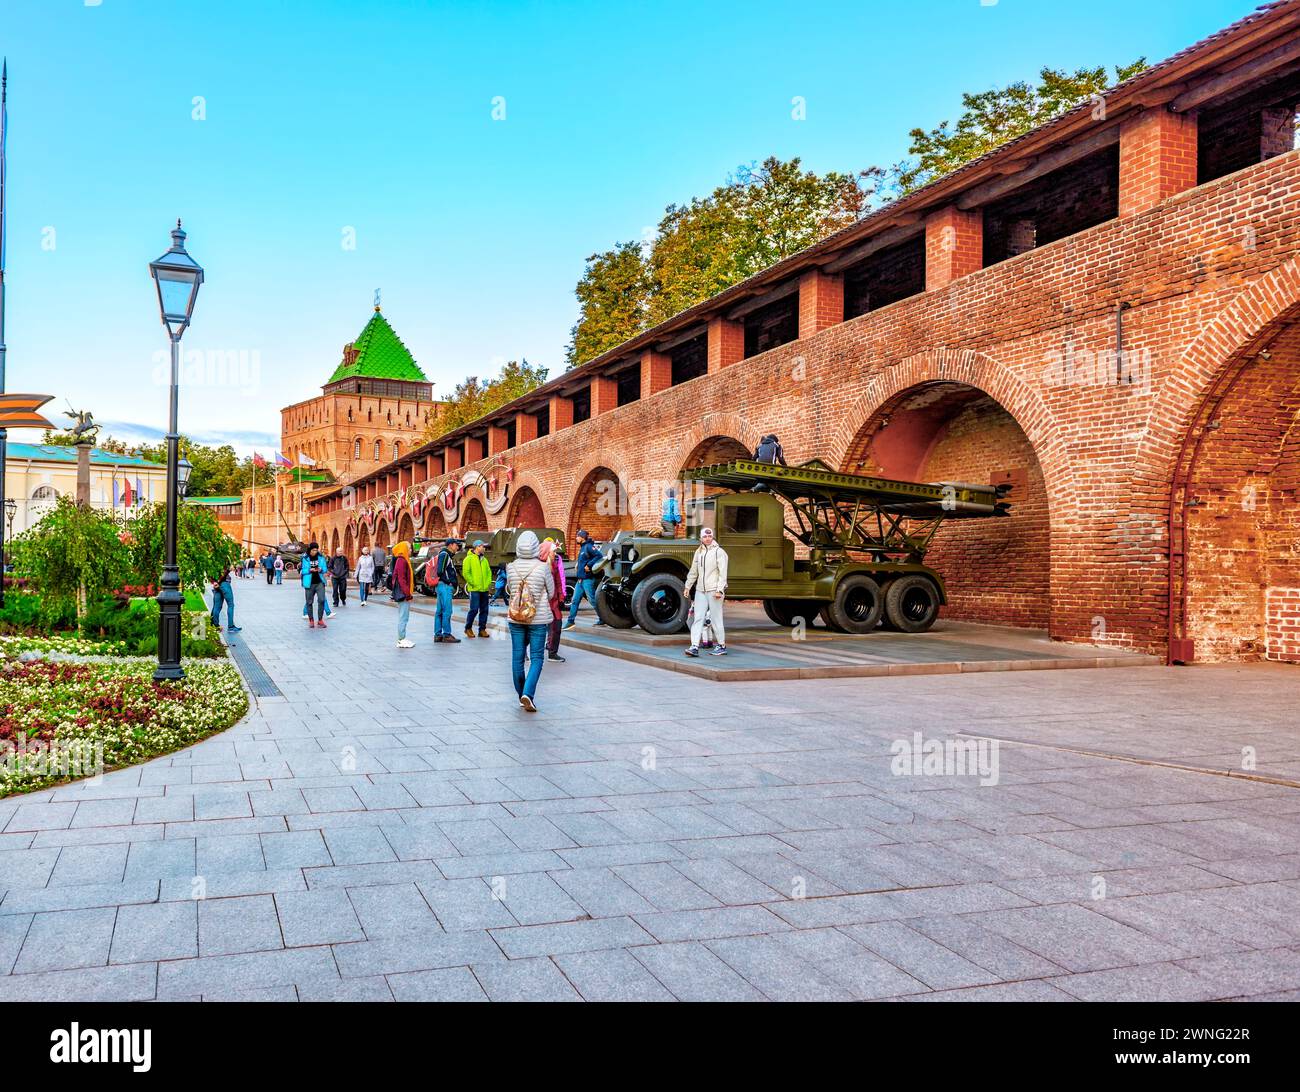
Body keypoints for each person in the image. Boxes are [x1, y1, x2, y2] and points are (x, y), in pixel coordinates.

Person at [505, 530, 554, 712]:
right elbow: (552, 592)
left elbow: (511, 589)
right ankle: (528, 693)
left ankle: (521, 695)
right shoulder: (542, 568)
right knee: (537, 658)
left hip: (516, 618)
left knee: (517, 658)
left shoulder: (511, 567)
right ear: (535, 546)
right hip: (538, 619)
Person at [683, 526, 728, 658]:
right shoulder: (699, 552)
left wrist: (720, 589)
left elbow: (723, 573)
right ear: (701, 538)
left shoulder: (719, 552)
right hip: (700, 590)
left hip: (714, 590)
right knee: (698, 618)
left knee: (716, 619)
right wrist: (687, 586)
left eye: (709, 536)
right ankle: (694, 646)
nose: (707, 538)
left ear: (712, 537)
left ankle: (721, 645)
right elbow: (693, 571)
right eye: (705, 536)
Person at [563, 530, 602, 629]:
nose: (576, 538)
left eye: (578, 536)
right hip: (580, 580)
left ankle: (603, 618)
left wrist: (589, 565)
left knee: (592, 600)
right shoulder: (583, 547)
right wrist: (578, 564)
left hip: (587, 579)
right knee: (575, 600)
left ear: (582, 537)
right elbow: (584, 559)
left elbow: (599, 555)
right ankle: (570, 621)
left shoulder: (589, 547)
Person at [538, 538, 566, 662]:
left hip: (554, 603)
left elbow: (558, 583)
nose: (555, 554)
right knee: (536, 629)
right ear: (547, 552)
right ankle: (527, 651)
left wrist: (561, 598)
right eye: (553, 551)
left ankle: (552, 652)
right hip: (542, 603)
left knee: (557, 626)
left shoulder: (554, 565)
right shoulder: (539, 567)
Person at [462, 539, 493, 638]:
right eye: (482, 546)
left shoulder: (485, 560)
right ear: (476, 547)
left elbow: (489, 572)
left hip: (484, 589)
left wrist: (487, 583)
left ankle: (482, 629)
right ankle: (468, 628)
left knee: (484, 610)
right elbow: (466, 573)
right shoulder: (468, 559)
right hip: (474, 589)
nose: (483, 548)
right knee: (474, 609)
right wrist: (473, 583)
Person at [434, 538, 462, 643]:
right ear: (450, 545)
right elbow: (440, 571)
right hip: (445, 586)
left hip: (441, 586)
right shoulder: (445, 555)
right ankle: (446, 634)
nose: (457, 547)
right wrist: (449, 582)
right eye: (456, 545)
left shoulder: (444, 554)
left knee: (440, 611)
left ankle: (438, 635)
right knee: (447, 611)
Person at [300, 542, 331, 628]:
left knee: (321, 600)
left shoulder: (321, 557)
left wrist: (321, 569)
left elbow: (325, 568)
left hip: (320, 582)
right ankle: (311, 620)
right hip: (309, 583)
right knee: (309, 602)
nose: (315, 551)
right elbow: (303, 570)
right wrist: (310, 570)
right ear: (310, 550)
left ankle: (320, 620)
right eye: (313, 550)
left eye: (316, 550)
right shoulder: (305, 558)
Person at [391, 540, 415, 648]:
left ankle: (402, 638)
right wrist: (408, 594)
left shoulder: (404, 560)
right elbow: (401, 579)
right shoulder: (401, 561)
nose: (411, 550)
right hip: (403, 594)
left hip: (404, 593)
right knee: (403, 617)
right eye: (409, 548)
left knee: (404, 616)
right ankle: (401, 639)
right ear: (404, 549)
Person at [209, 565, 240, 633]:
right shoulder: (222, 557)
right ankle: (231, 626)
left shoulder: (211, 559)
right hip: (224, 584)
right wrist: (229, 569)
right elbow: (224, 572)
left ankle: (215, 625)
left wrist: (214, 582)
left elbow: (209, 572)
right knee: (230, 605)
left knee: (216, 606)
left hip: (216, 585)